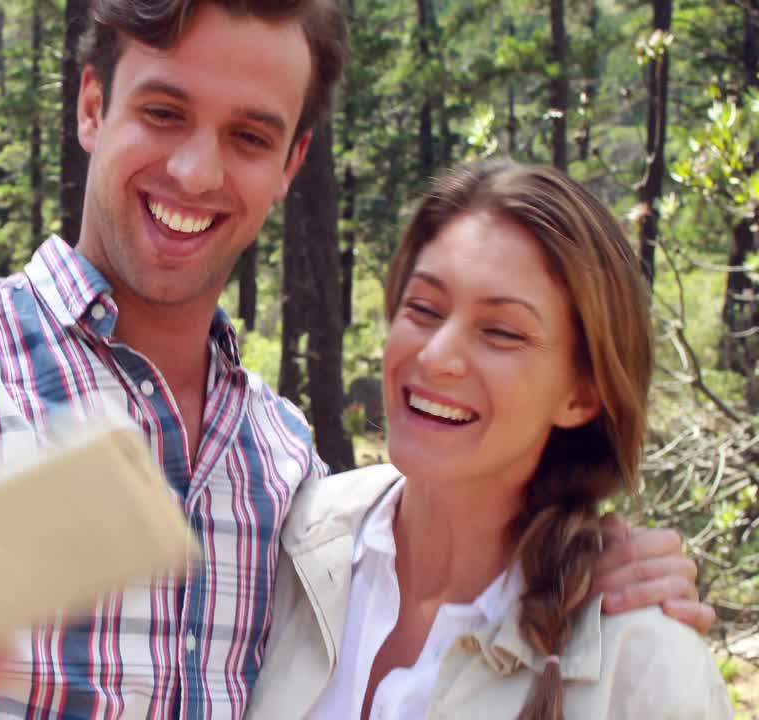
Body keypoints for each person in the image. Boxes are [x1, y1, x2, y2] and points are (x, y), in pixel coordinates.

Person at [0, 3, 714, 718]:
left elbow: (475, 523)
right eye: (161, 112)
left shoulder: (283, 471)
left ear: (291, 162)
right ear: (90, 105)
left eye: (249, 136)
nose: (197, 170)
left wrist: (590, 554)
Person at [246, 161, 732, 719]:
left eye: (501, 332)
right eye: (424, 309)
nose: (435, 357)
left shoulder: (641, 662)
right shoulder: (287, 543)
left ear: (582, 395)